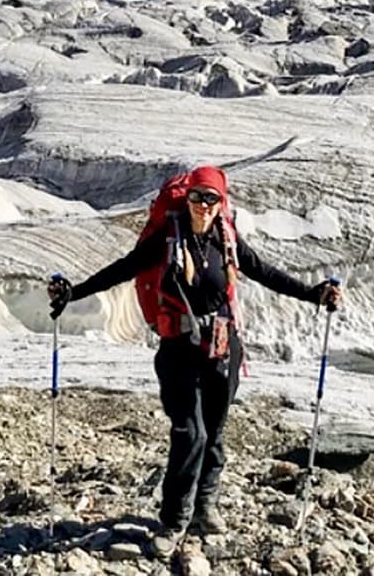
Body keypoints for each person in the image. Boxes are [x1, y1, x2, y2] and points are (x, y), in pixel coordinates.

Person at [47, 165, 341, 559]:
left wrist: (312, 294)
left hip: (222, 349)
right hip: (179, 349)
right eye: (197, 197)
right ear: (187, 199)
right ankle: (174, 520)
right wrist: (75, 293)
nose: (203, 205)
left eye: (211, 198)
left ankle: (205, 506)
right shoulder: (169, 238)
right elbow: (125, 268)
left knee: (214, 431)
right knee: (190, 433)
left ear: (221, 203)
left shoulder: (227, 239)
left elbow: (263, 272)